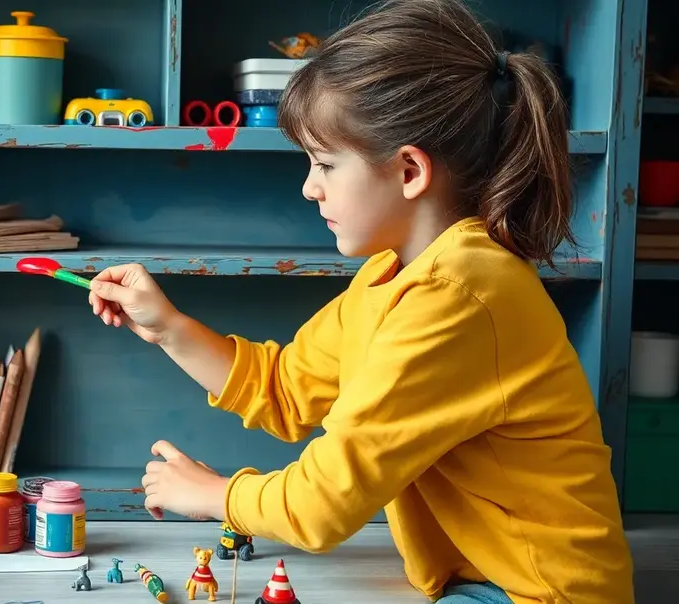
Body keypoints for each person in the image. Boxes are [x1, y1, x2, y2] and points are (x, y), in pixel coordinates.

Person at [85, 0, 635, 602]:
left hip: (543, 593)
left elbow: (323, 505)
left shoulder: (458, 294)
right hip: (488, 581)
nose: (309, 187)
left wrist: (216, 496)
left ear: (409, 171)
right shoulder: (391, 274)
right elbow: (285, 390)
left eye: (324, 164)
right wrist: (167, 327)